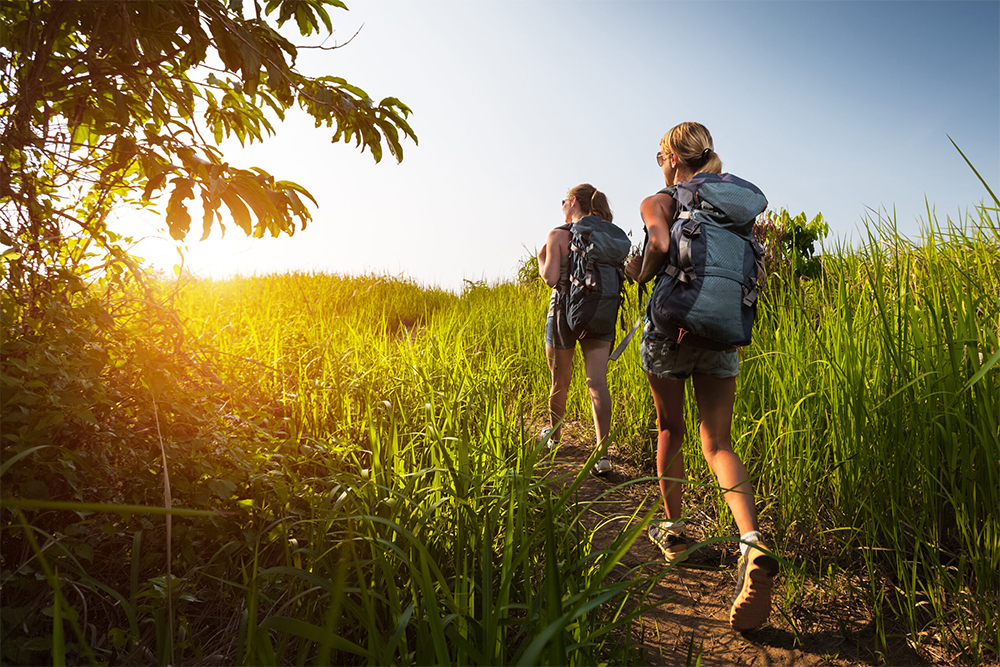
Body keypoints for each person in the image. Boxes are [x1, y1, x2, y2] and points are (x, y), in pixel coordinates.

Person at [625, 122, 779, 632]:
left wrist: (637, 271)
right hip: (722, 334)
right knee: (719, 444)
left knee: (671, 429)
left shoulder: (661, 199)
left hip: (671, 332)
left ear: (672, 156)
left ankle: (673, 533)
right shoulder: (733, 207)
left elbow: (659, 247)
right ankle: (752, 541)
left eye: (659, 155)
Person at [537, 184, 623, 476]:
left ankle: (555, 437)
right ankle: (602, 454)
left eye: (564, 200)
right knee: (597, 382)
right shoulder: (605, 235)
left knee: (560, 380)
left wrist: (540, 260)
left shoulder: (559, 234)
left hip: (563, 310)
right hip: (599, 309)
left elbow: (549, 278)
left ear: (573, 202)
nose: (563, 205)